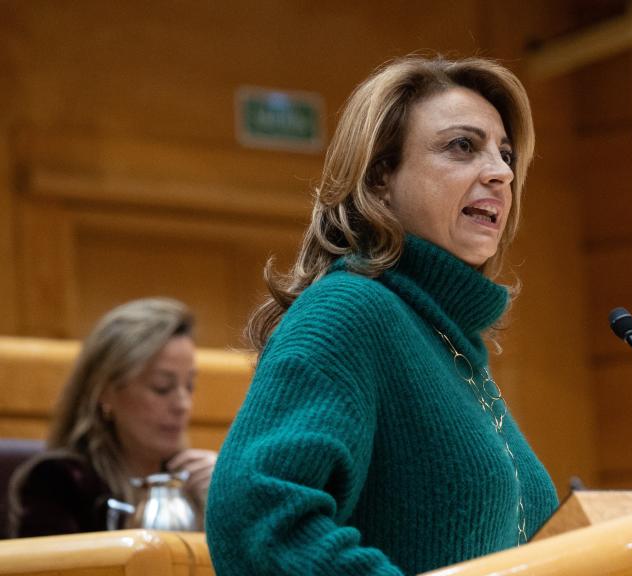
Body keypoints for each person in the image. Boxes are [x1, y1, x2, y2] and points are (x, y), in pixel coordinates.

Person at [205, 55, 558, 575]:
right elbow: (255, 516)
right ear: (378, 180)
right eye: (463, 146)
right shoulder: (347, 311)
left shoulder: (445, 340)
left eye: (504, 154)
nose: (501, 173)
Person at [7, 298, 217, 537]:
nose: (183, 404)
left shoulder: (200, 481)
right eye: (162, 387)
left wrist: (227, 500)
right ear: (105, 392)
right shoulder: (58, 483)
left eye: (189, 386)